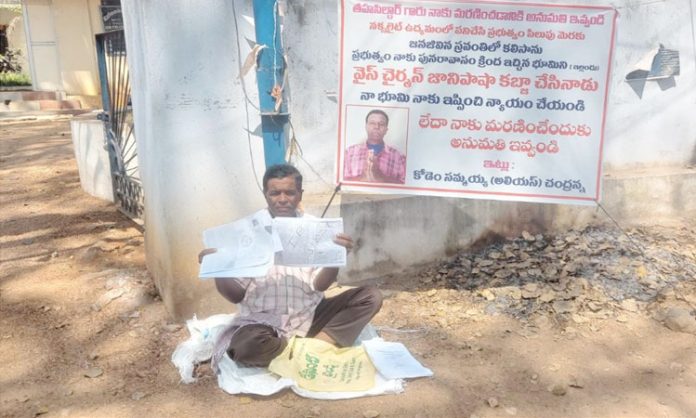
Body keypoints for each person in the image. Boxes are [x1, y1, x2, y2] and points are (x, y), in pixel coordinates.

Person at [198, 164, 383, 369]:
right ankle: (307, 351)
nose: (283, 199)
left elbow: (319, 285)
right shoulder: (247, 232)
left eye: (290, 192)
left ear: (300, 194)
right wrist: (219, 270)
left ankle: (314, 346)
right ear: (265, 194)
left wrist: (334, 258)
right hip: (262, 322)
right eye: (275, 193)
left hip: (310, 316)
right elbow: (236, 296)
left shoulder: (316, 228)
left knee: (370, 297)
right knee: (245, 347)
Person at [343, 109, 406, 184]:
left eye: (381, 124)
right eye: (372, 123)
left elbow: (406, 184)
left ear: (386, 129)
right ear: (366, 127)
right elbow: (340, 182)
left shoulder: (399, 157)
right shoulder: (349, 152)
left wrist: (380, 177)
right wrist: (362, 178)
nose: (376, 127)